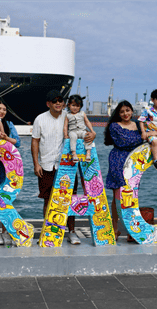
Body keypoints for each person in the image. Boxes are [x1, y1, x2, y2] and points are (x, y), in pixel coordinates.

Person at [32, 90, 96, 244]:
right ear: (48, 104)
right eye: (54, 101)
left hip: (67, 165)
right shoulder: (39, 119)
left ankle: (71, 232)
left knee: (70, 198)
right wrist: (36, 163)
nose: (58, 103)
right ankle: (48, 231)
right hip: (46, 165)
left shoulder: (69, 116)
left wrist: (92, 134)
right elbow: (35, 141)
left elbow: (84, 130)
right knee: (47, 199)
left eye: (60, 101)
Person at [104, 100, 157, 241]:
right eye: (122, 111)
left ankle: (132, 230)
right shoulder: (114, 126)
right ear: (118, 114)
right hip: (118, 160)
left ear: (132, 111)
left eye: (128, 110)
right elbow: (124, 142)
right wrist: (147, 134)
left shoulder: (139, 125)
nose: (125, 114)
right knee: (118, 196)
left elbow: (156, 132)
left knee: (132, 195)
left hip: (135, 163)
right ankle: (115, 228)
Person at [0, 99, 21, 246]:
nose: (1, 111)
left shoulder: (9, 125)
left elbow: (18, 142)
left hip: (8, 168)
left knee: (6, 200)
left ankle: (5, 231)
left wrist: (5, 137)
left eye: (4, 109)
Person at [63, 94, 95, 162]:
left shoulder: (82, 113)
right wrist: (65, 135)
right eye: (73, 105)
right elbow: (65, 126)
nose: (75, 108)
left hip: (82, 131)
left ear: (80, 106)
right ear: (69, 105)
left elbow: (87, 122)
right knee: (73, 137)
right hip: (72, 131)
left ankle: (88, 153)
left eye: (77, 106)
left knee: (87, 136)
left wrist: (92, 131)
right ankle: (74, 153)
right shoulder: (68, 115)